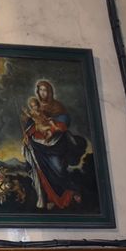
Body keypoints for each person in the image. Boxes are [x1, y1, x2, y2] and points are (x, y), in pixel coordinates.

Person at [22, 80, 89, 209]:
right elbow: (30, 125)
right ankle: (51, 198)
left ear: (50, 91)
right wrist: (27, 135)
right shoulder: (35, 107)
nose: (43, 93)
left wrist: (53, 127)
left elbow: (64, 120)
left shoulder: (56, 106)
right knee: (44, 172)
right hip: (39, 147)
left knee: (58, 169)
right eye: (40, 90)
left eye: (45, 90)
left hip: (56, 144)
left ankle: (68, 195)